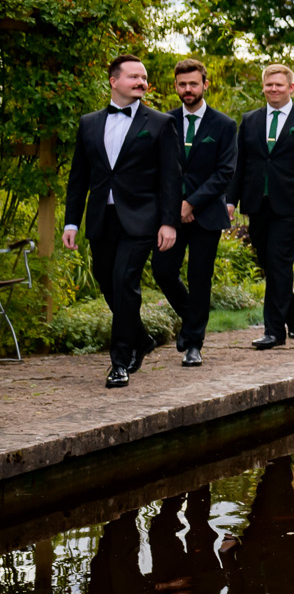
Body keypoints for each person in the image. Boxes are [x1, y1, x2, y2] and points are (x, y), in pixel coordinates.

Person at [62, 55, 180, 388]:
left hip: (141, 218)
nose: (141, 82)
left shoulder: (159, 123)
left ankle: (119, 362)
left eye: (144, 78)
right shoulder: (89, 123)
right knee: (106, 280)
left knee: (125, 280)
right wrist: (71, 222)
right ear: (114, 81)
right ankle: (141, 338)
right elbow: (79, 178)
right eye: (133, 77)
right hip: (102, 217)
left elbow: (172, 179)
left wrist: (168, 222)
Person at [233, 66, 294, 349]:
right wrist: (231, 200)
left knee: (279, 262)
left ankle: (274, 332)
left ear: (291, 88)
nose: (273, 89)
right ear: (263, 87)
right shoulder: (249, 120)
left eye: (279, 85)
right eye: (268, 85)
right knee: (268, 263)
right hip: (257, 204)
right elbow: (242, 164)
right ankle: (293, 315)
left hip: (293, 206)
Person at [152, 59, 239, 368]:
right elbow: (159, 169)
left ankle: (194, 344)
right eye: (182, 84)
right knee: (162, 270)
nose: (187, 89)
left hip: (207, 214)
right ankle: (192, 319)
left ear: (205, 84)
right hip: (170, 213)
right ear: (175, 86)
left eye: (193, 83)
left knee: (199, 276)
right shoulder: (164, 122)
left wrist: (191, 204)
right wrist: (176, 205)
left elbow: (225, 172)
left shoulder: (225, 125)